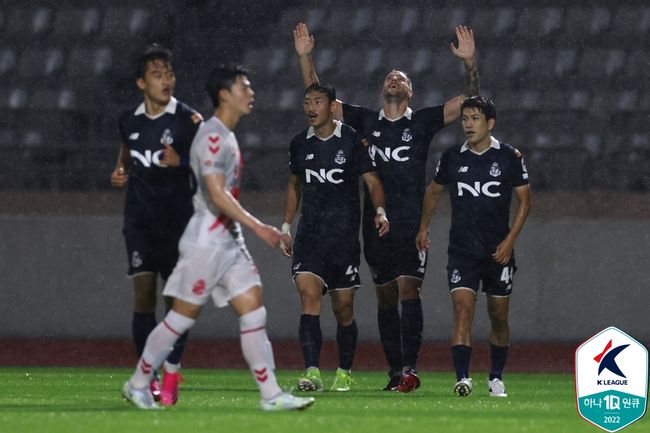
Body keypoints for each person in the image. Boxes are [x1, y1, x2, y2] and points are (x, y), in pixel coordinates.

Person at [293, 23, 480, 392]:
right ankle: (395, 371)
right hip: (373, 223)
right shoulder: (364, 120)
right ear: (384, 89)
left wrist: (470, 64)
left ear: (410, 91)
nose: (394, 79)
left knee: (410, 290)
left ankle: (410, 368)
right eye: (390, 77)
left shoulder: (423, 121)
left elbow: (470, 102)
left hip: (410, 223)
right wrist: (305, 57)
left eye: (402, 78)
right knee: (385, 295)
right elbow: (319, 97)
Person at [121, 64, 315, 412]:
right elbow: (216, 192)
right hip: (206, 243)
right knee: (180, 319)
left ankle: (270, 394)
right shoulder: (212, 135)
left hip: (227, 239)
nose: (251, 92)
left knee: (253, 309)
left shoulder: (225, 134)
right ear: (225, 94)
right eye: (245, 86)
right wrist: (261, 228)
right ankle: (137, 382)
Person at [416, 96, 532, 397]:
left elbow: (525, 201)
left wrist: (509, 240)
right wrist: (424, 227)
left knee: (498, 316)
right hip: (463, 250)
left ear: (490, 123)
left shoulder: (508, 157)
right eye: (464, 118)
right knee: (462, 309)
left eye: (474, 118)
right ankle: (463, 377)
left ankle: (495, 377)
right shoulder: (453, 157)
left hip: (498, 251)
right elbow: (433, 192)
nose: (467, 124)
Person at [281, 83, 389, 392]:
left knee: (343, 309)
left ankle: (344, 371)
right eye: (307, 101)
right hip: (310, 236)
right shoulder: (299, 143)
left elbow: (372, 180)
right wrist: (286, 227)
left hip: (343, 239)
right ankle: (312, 371)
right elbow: (294, 185)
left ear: (331, 107)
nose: (311, 107)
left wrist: (380, 210)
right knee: (309, 296)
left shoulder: (352, 140)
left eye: (318, 101)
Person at [110, 45, 202, 405]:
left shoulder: (188, 119)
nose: (166, 79)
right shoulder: (128, 120)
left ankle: (172, 370)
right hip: (140, 222)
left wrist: (181, 162)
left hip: (178, 223)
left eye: (169, 73)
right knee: (144, 295)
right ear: (141, 82)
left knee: (176, 303)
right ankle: (146, 376)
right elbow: (126, 153)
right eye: (157, 73)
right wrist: (121, 171)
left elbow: (208, 165)